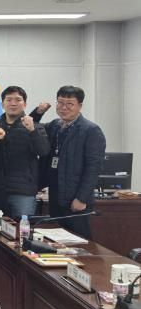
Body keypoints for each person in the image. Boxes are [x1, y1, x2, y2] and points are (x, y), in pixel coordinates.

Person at [39, 86, 105, 239]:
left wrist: (81, 198)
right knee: (57, 240)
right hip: (56, 196)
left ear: (79, 106)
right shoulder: (55, 126)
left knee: (79, 241)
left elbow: (94, 168)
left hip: (76, 198)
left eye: (69, 104)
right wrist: (39, 112)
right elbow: (31, 128)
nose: (64, 107)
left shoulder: (91, 130)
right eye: (60, 103)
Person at [0, 86, 50, 218]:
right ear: (2, 104)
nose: (13, 103)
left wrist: (32, 130)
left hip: (23, 191)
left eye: (18, 100)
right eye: (9, 100)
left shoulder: (35, 126)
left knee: (23, 227)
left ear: (25, 104)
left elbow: (43, 151)